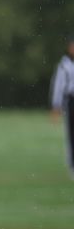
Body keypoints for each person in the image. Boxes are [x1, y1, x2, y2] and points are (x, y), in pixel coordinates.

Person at [49, 35, 74, 177]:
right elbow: (58, 86)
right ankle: (72, 164)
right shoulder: (64, 65)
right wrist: (56, 106)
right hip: (70, 100)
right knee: (71, 133)